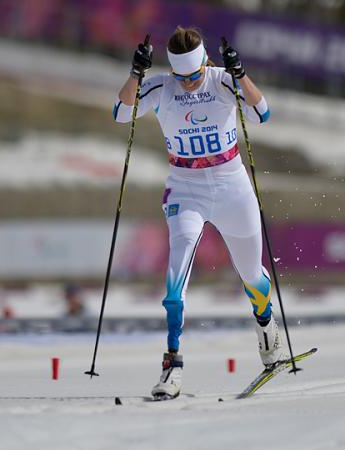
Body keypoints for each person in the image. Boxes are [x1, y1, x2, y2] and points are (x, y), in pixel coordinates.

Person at [113, 26, 280, 399]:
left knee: (252, 275)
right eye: (181, 77)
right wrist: (135, 73)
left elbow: (262, 114)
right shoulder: (161, 87)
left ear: (206, 62)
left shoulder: (221, 81)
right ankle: (172, 365)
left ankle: (267, 329)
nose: (188, 85)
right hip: (185, 190)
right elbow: (122, 114)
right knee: (175, 285)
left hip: (232, 188)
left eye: (194, 76)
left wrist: (240, 74)